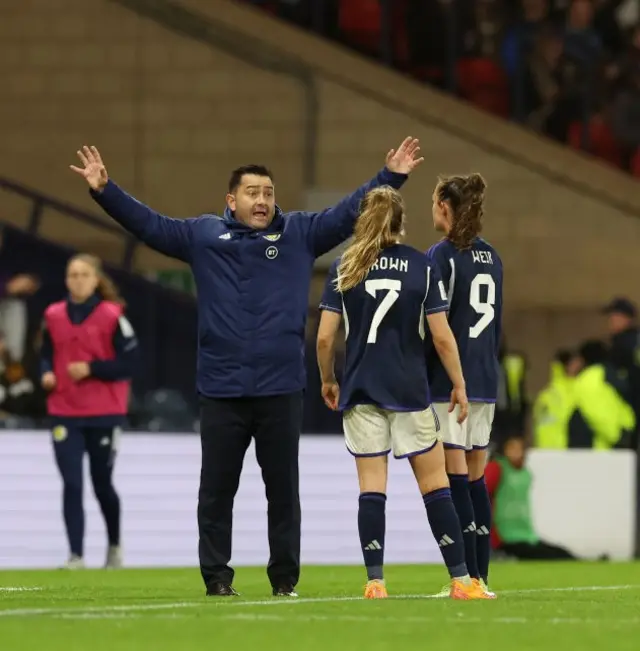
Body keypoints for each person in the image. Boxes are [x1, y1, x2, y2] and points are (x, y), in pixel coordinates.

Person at [69, 139, 424, 597]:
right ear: (231, 201)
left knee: (283, 493)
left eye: (269, 193)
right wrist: (105, 190)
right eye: (253, 193)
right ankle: (217, 578)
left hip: (280, 387)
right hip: (221, 388)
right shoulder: (202, 236)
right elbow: (150, 227)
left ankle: (284, 582)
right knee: (216, 491)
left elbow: (346, 213)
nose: (262, 200)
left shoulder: (300, 233)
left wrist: (390, 176)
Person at [316, 186, 490, 601]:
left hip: (360, 389)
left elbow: (324, 338)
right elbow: (442, 337)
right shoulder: (420, 265)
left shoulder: (345, 265)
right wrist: (460, 385)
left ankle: (375, 581)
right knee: (435, 485)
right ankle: (462, 580)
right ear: (401, 221)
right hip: (409, 390)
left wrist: (329, 379)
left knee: (371, 487)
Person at [425, 173, 503, 598]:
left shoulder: (439, 257)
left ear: (445, 206)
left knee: (455, 477)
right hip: (485, 380)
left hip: (451, 384)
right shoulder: (494, 258)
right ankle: (480, 578)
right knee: (475, 477)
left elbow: (436, 327)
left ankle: (466, 580)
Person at [40, 254, 138, 569]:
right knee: (72, 482)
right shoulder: (53, 315)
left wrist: (93, 368)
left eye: (83, 274)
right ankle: (76, 555)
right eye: (72, 275)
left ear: (96, 279)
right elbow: (45, 352)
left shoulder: (113, 316)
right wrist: (46, 372)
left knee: (101, 482)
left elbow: (131, 363)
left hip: (104, 412)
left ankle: (114, 546)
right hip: (64, 409)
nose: (77, 280)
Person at [485, 434, 577, 560]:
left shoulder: (525, 472)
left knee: (560, 553)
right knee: (545, 556)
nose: (516, 453)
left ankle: (588, 562)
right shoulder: (497, 468)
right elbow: (482, 493)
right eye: (512, 449)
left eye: (519, 449)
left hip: (525, 534)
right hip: (505, 536)